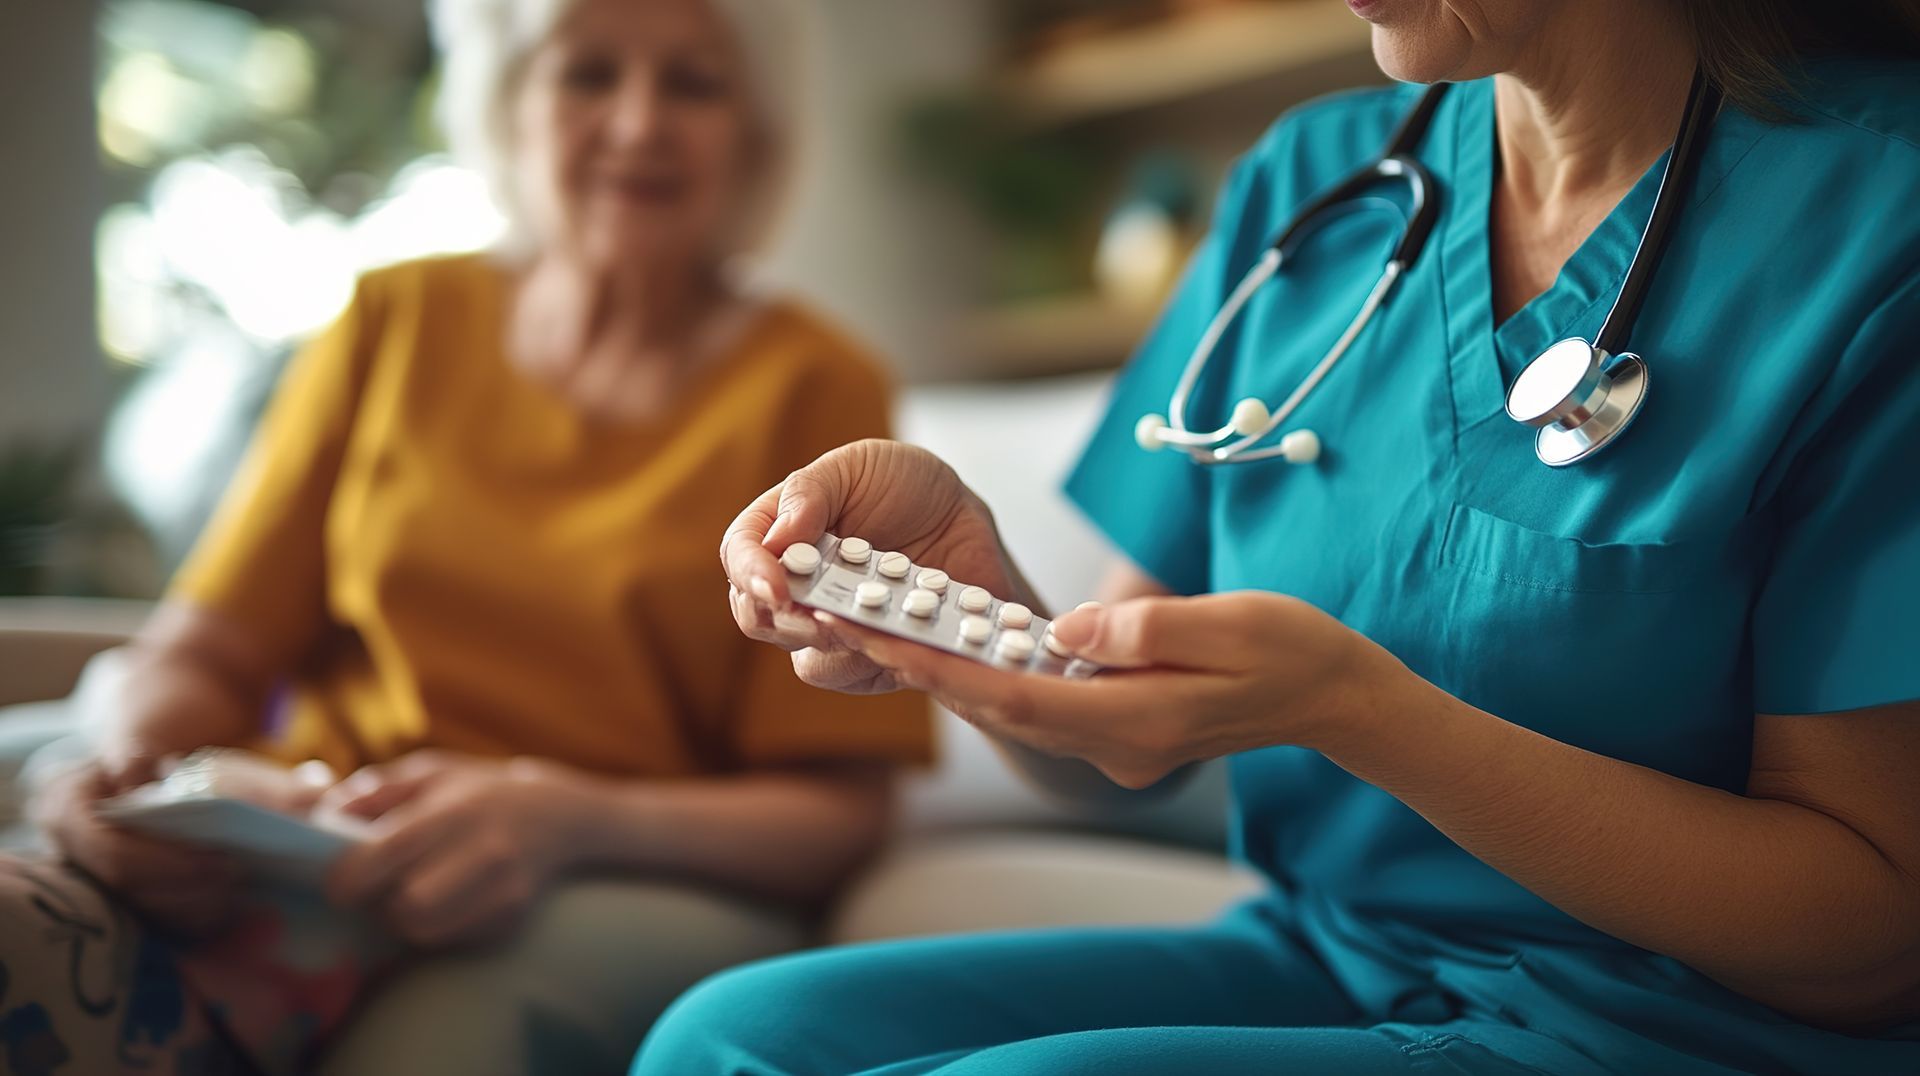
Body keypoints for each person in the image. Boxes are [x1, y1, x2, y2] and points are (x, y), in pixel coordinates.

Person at [643, 0, 1920, 1072]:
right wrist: (980, 610)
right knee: (730, 1039)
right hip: (1333, 956)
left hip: (1676, 1027)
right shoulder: (1314, 185)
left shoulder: (1879, 217)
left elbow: (1871, 938)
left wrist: (1364, 709)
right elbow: (1117, 739)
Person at [0, 0, 931, 1072]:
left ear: (755, 130)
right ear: (510, 104)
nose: (638, 125)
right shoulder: (394, 317)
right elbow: (205, 648)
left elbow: (843, 808)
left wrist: (571, 817)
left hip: (609, 871)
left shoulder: (818, 386)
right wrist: (140, 771)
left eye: (694, 84)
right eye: (588, 74)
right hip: (308, 830)